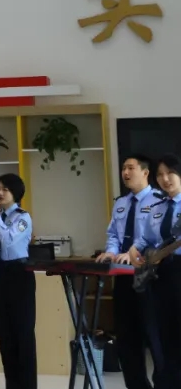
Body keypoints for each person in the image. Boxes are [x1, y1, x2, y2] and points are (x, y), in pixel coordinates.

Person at [96, 154, 164, 389]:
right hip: (123, 276)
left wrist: (135, 253)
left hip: (149, 277)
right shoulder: (121, 203)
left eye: (131, 168)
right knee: (127, 338)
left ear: (145, 172)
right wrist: (111, 252)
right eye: (124, 168)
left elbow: (158, 238)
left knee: (154, 337)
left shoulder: (159, 201)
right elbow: (113, 234)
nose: (125, 173)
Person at [0, 173, 35, 389]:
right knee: (4, 335)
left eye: (4, 189)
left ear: (15, 193)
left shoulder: (23, 217)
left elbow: (7, 241)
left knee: (22, 335)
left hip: (19, 275)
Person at [136, 156, 181, 389]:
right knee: (162, 334)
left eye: (170, 173)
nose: (165, 179)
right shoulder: (157, 208)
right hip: (159, 276)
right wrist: (135, 250)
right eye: (160, 175)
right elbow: (145, 239)